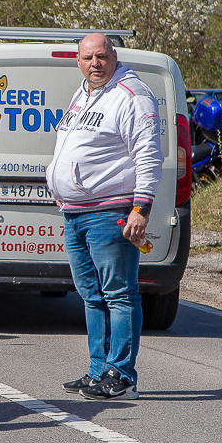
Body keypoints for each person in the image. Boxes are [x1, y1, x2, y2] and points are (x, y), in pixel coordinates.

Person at [46, 33, 163, 401]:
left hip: (110, 211)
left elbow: (148, 154)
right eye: (87, 57)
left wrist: (141, 208)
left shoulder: (132, 95)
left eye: (101, 56)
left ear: (114, 56)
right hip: (75, 213)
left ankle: (122, 375)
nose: (94, 63)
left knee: (119, 294)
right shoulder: (84, 93)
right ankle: (99, 369)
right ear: (78, 60)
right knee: (91, 295)